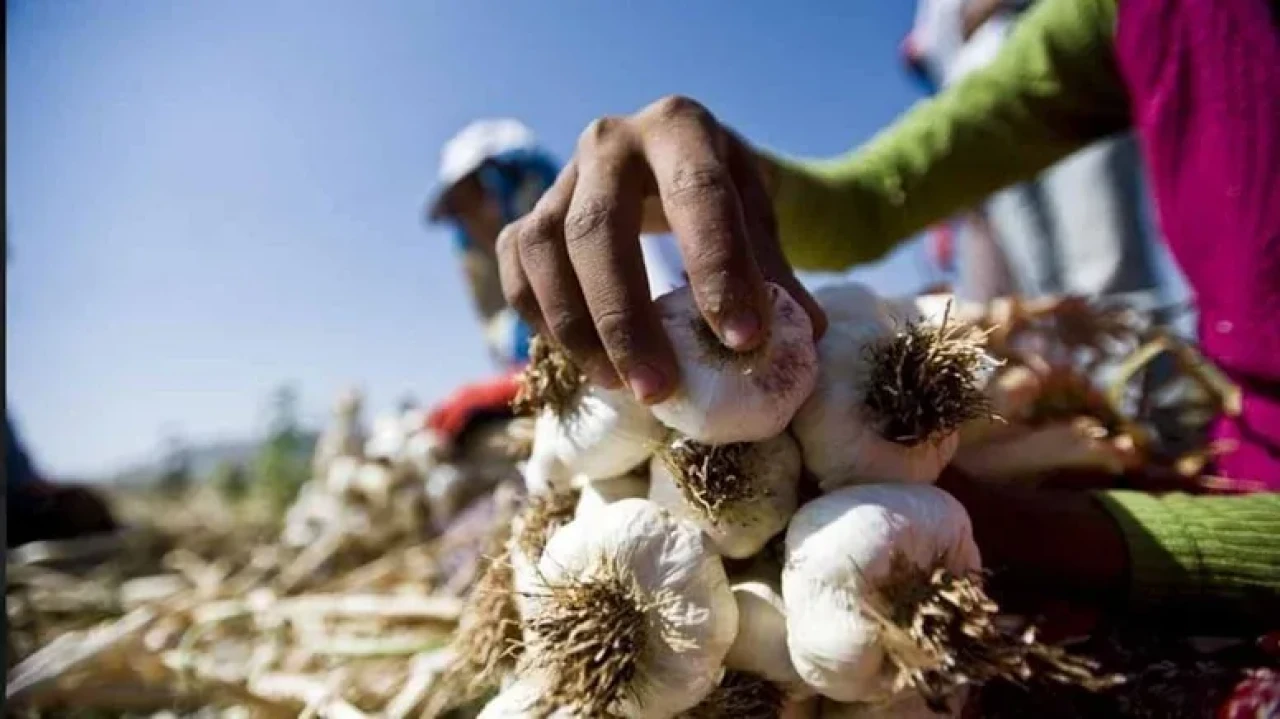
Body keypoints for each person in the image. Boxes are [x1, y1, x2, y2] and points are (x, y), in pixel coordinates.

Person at [492, 0, 1280, 620]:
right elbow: (869, 201)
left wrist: (1028, 531)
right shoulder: (1135, 11)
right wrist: (725, 167)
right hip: (1232, 456)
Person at [421, 119, 685, 445]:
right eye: (460, 213)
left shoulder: (634, 232)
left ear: (517, 181)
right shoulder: (512, 314)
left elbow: (657, 344)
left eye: (475, 199)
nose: (472, 223)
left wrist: (509, 388)